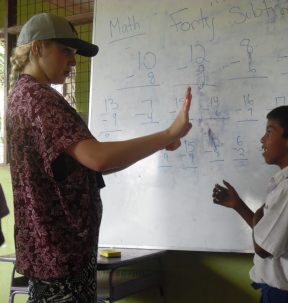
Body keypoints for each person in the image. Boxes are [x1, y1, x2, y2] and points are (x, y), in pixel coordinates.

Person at [6, 13, 192, 303]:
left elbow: (91, 165)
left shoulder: (23, 96)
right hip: (60, 257)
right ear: (38, 47)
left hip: (55, 256)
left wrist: (160, 143)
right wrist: (168, 133)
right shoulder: (40, 101)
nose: (73, 61)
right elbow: (98, 158)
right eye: (65, 50)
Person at [212, 105, 288, 303]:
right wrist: (239, 205)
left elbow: (263, 248)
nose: (262, 140)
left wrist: (258, 213)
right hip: (285, 293)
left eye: (269, 132)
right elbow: (268, 235)